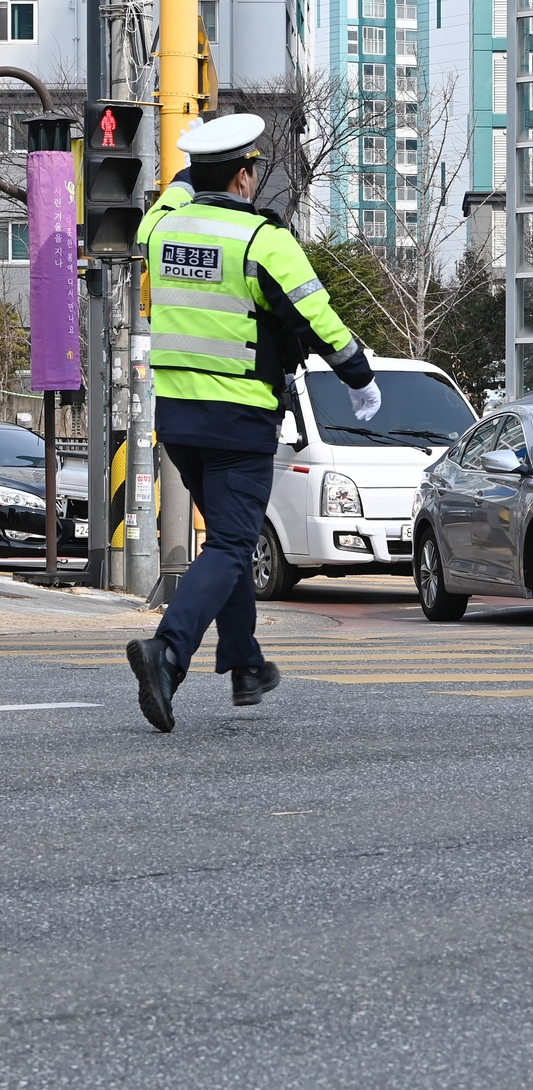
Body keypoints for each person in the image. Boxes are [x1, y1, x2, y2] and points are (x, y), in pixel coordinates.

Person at [125, 114, 381, 732]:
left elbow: (178, 189)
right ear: (246, 175)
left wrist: (197, 169)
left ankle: (244, 663)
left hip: (179, 418)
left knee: (227, 539)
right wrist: (360, 378)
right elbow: (315, 316)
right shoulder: (262, 240)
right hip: (239, 417)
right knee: (234, 543)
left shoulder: (160, 228)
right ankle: (168, 652)